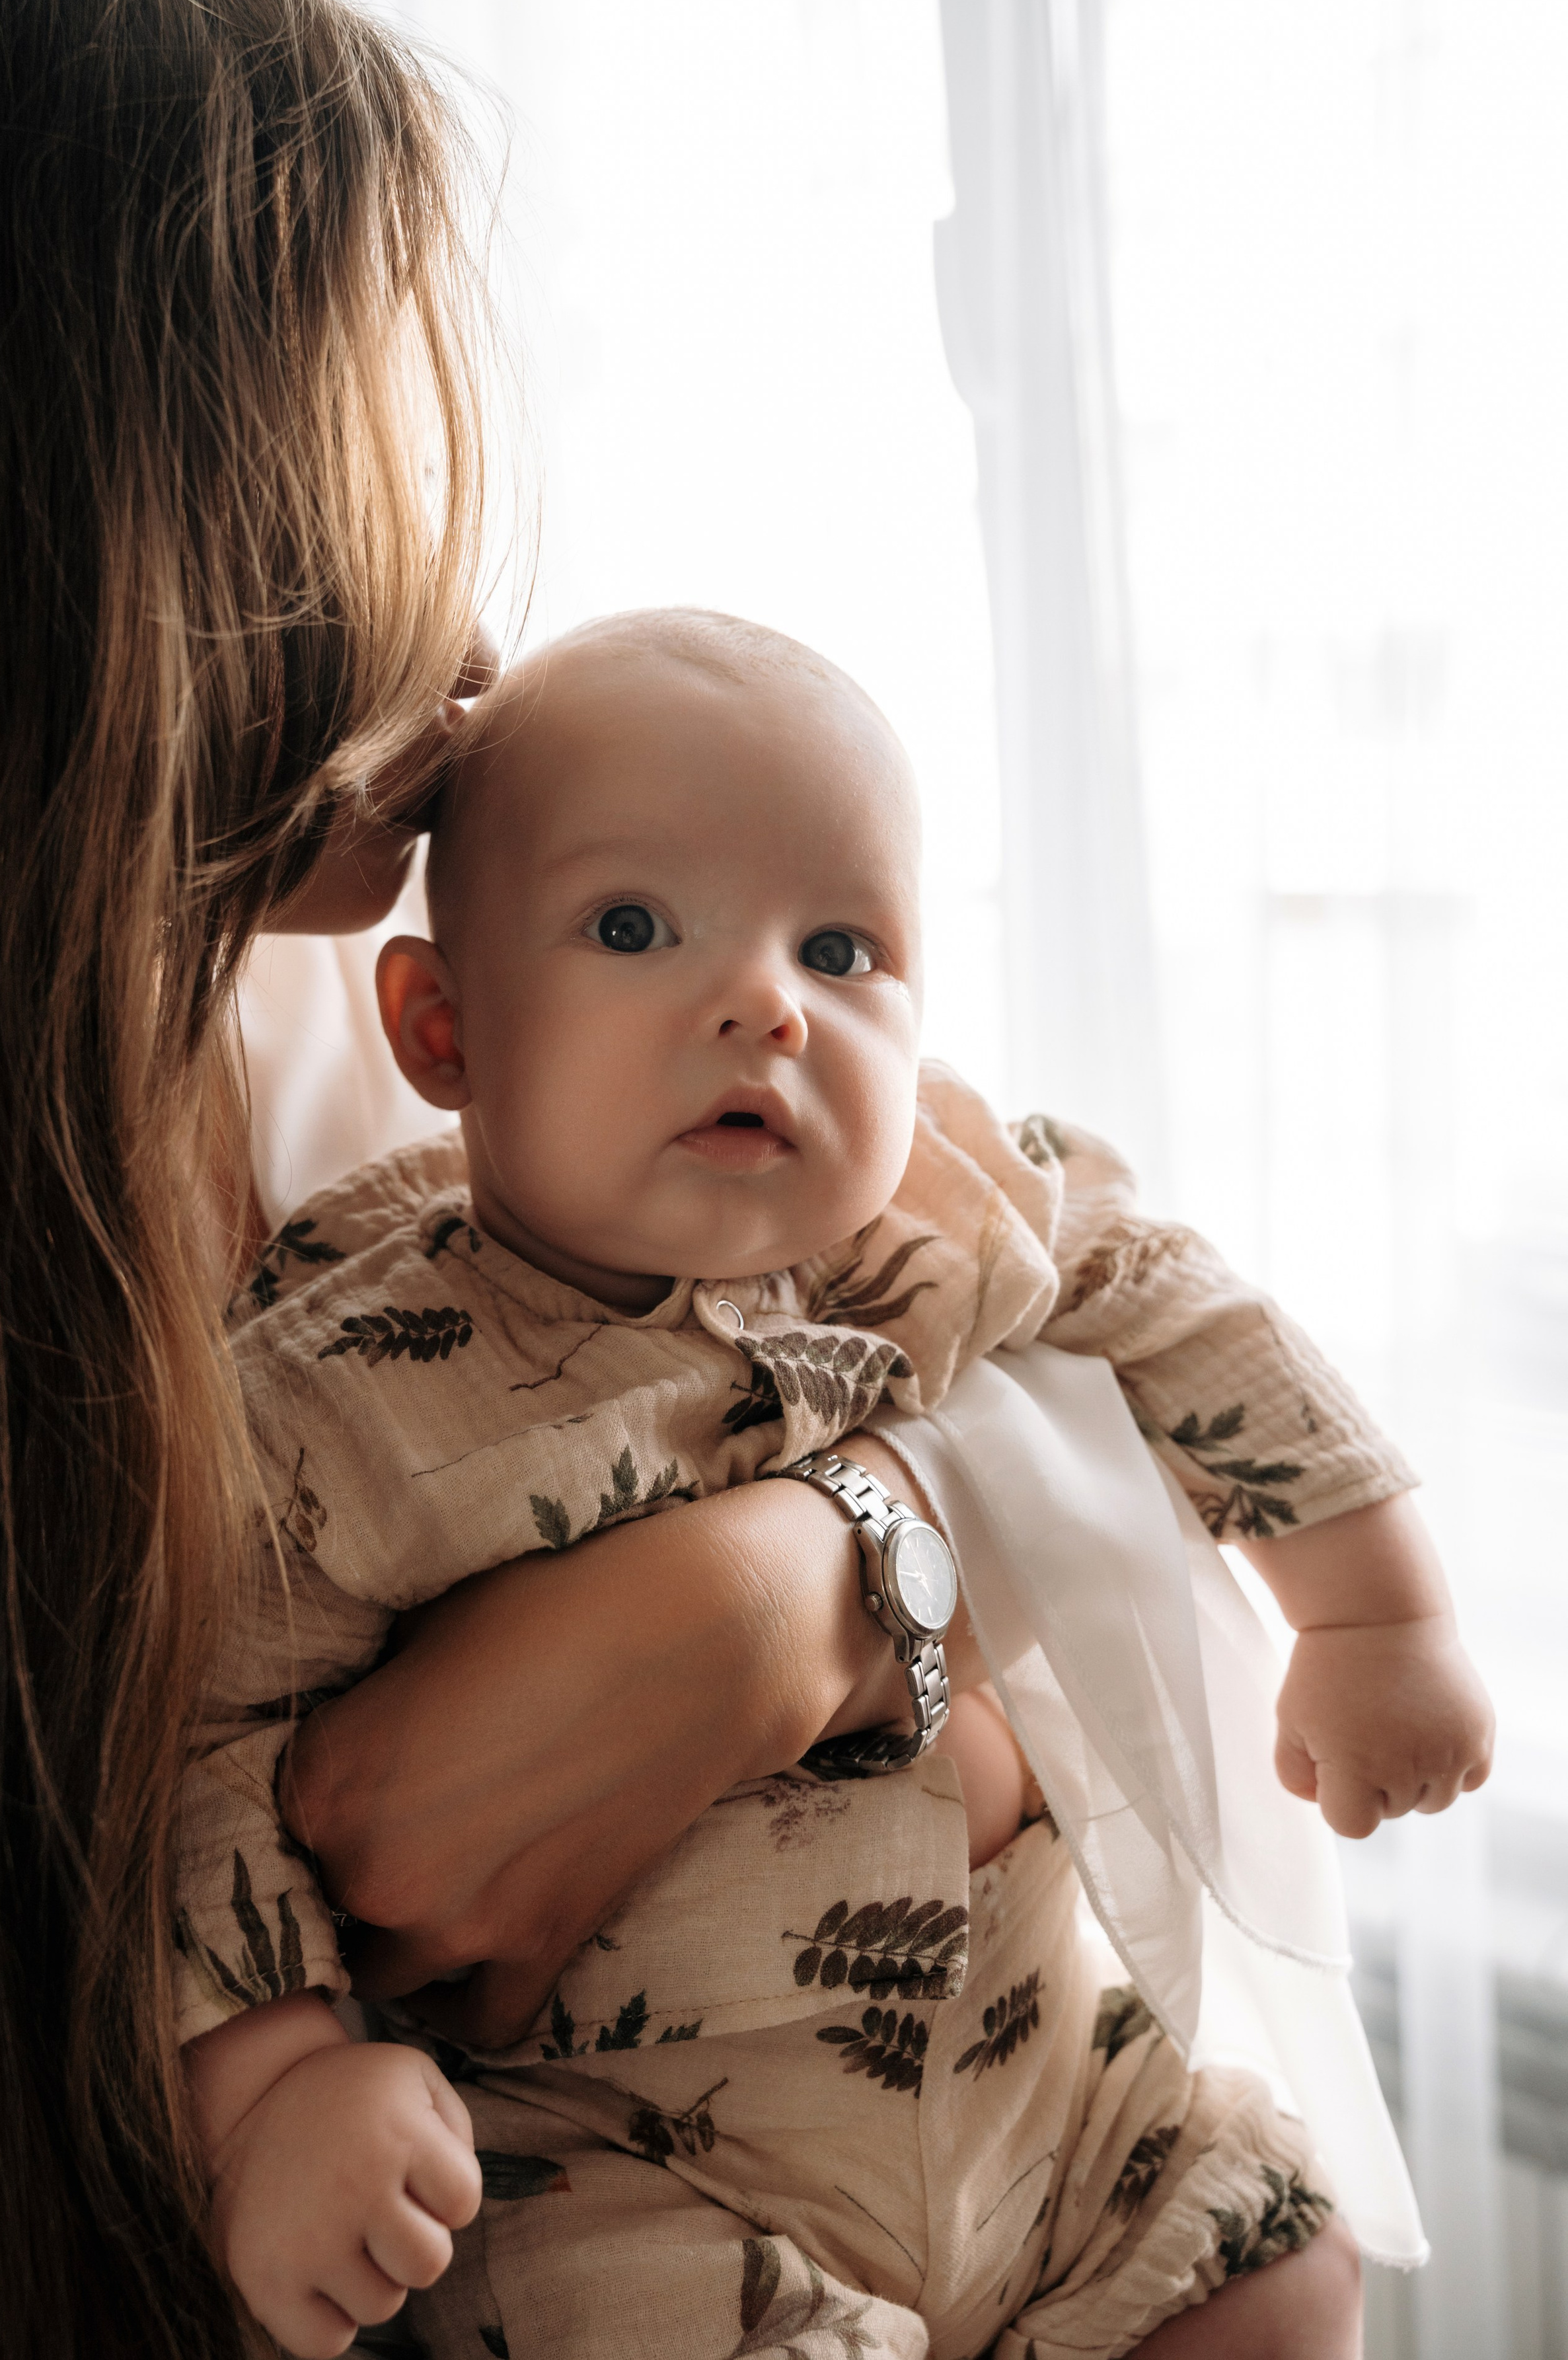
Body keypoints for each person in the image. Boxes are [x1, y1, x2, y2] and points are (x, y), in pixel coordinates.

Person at [0, 0, 941, 2357]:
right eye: (335, 471)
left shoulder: (430, 1021)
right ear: (53, 535)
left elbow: (1078, 1441)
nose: (468, 642)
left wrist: (811, 1592)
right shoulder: (327, 1033)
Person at [180, 613, 1493, 2358]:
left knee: (1285, 2256)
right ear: (444, 1029)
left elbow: (1177, 1299)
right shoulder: (334, 1392)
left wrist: (1375, 1611)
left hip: (1047, 2089)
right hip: (639, 2175)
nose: (765, 1003)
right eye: (632, 928)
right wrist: (275, 2088)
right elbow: (205, 1754)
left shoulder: (939, 1201)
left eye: (841, 947)